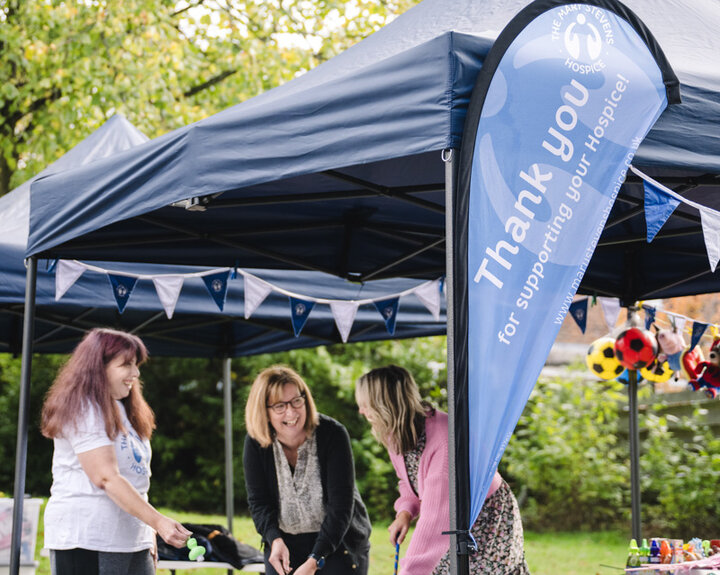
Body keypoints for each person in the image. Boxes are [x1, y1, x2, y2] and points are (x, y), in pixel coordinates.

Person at [41, 328, 192, 575]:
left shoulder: (122, 409)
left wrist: (148, 530)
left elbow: (135, 478)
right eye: (127, 365)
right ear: (98, 368)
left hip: (130, 538)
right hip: (88, 537)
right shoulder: (84, 408)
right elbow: (106, 477)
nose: (136, 373)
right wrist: (159, 522)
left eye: (136, 364)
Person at [355, 365, 530, 575]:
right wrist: (405, 512)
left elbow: (435, 521)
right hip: (453, 518)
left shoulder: (444, 442)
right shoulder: (397, 433)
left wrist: (408, 572)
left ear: (386, 405)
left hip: (486, 516)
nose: (361, 411)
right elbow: (408, 481)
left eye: (366, 405)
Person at [243, 365, 371, 575]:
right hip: (283, 543)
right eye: (279, 406)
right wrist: (274, 539)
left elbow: (341, 506)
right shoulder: (256, 442)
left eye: (296, 401)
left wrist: (315, 560)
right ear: (264, 411)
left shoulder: (333, 434)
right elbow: (259, 502)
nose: (291, 412)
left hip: (338, 542)